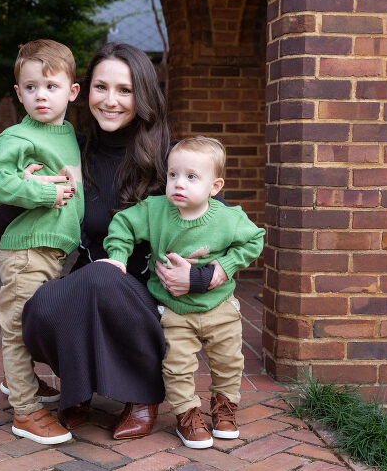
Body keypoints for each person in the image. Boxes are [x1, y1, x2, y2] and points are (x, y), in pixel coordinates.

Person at [9, 43, 225, 440]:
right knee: (38, 305)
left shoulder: (169, 156)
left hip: (152, 292)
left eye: (124, 90)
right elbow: (5, 225)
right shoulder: (71, 151)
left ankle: (143, 395)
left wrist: (206, 276)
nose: (111, 101)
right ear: (83, 91)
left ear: (142, 95)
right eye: (101, 87)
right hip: (92, 280)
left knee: (103, 279)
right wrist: (29, 189)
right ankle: (80, 385)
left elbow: (223, 223)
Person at [101, 136, 265, 448]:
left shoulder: (228, 218)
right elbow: (122, 224)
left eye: (192, 177)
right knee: (176, 366)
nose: (179, 183)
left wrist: (224, 267)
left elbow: (254, 239)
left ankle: (225, 408)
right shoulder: (155, 210)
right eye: (173, 174)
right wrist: (118, 257)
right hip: (174, 309)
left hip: (219, 306)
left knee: (229, 361)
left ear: (214, 187)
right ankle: (187, 415)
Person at [0, 39, 83, 445]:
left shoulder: (69, 132)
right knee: (18, 324)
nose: (40, 95)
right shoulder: (17, 136)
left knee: (38, 321)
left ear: (72, 91)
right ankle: (25, 411)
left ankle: (18, 378)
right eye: (30, 87)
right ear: (18, 92)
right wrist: (41, 193)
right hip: (26, 248)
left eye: (51, 86)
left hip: (54, 249)